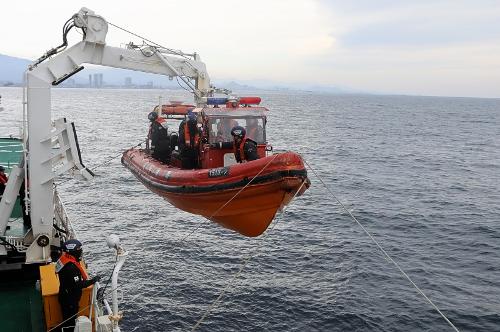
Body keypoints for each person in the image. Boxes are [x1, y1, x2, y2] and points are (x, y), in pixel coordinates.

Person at [56, 239, 100, 331]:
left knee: (66, 319)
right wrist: (93, 281)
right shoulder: (71, 268)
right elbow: (78, 285)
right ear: (73, 252)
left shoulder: (64, 260)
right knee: (70, 322)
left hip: (64, 294)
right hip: (70, 300)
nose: (80, 252)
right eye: (79, 250)